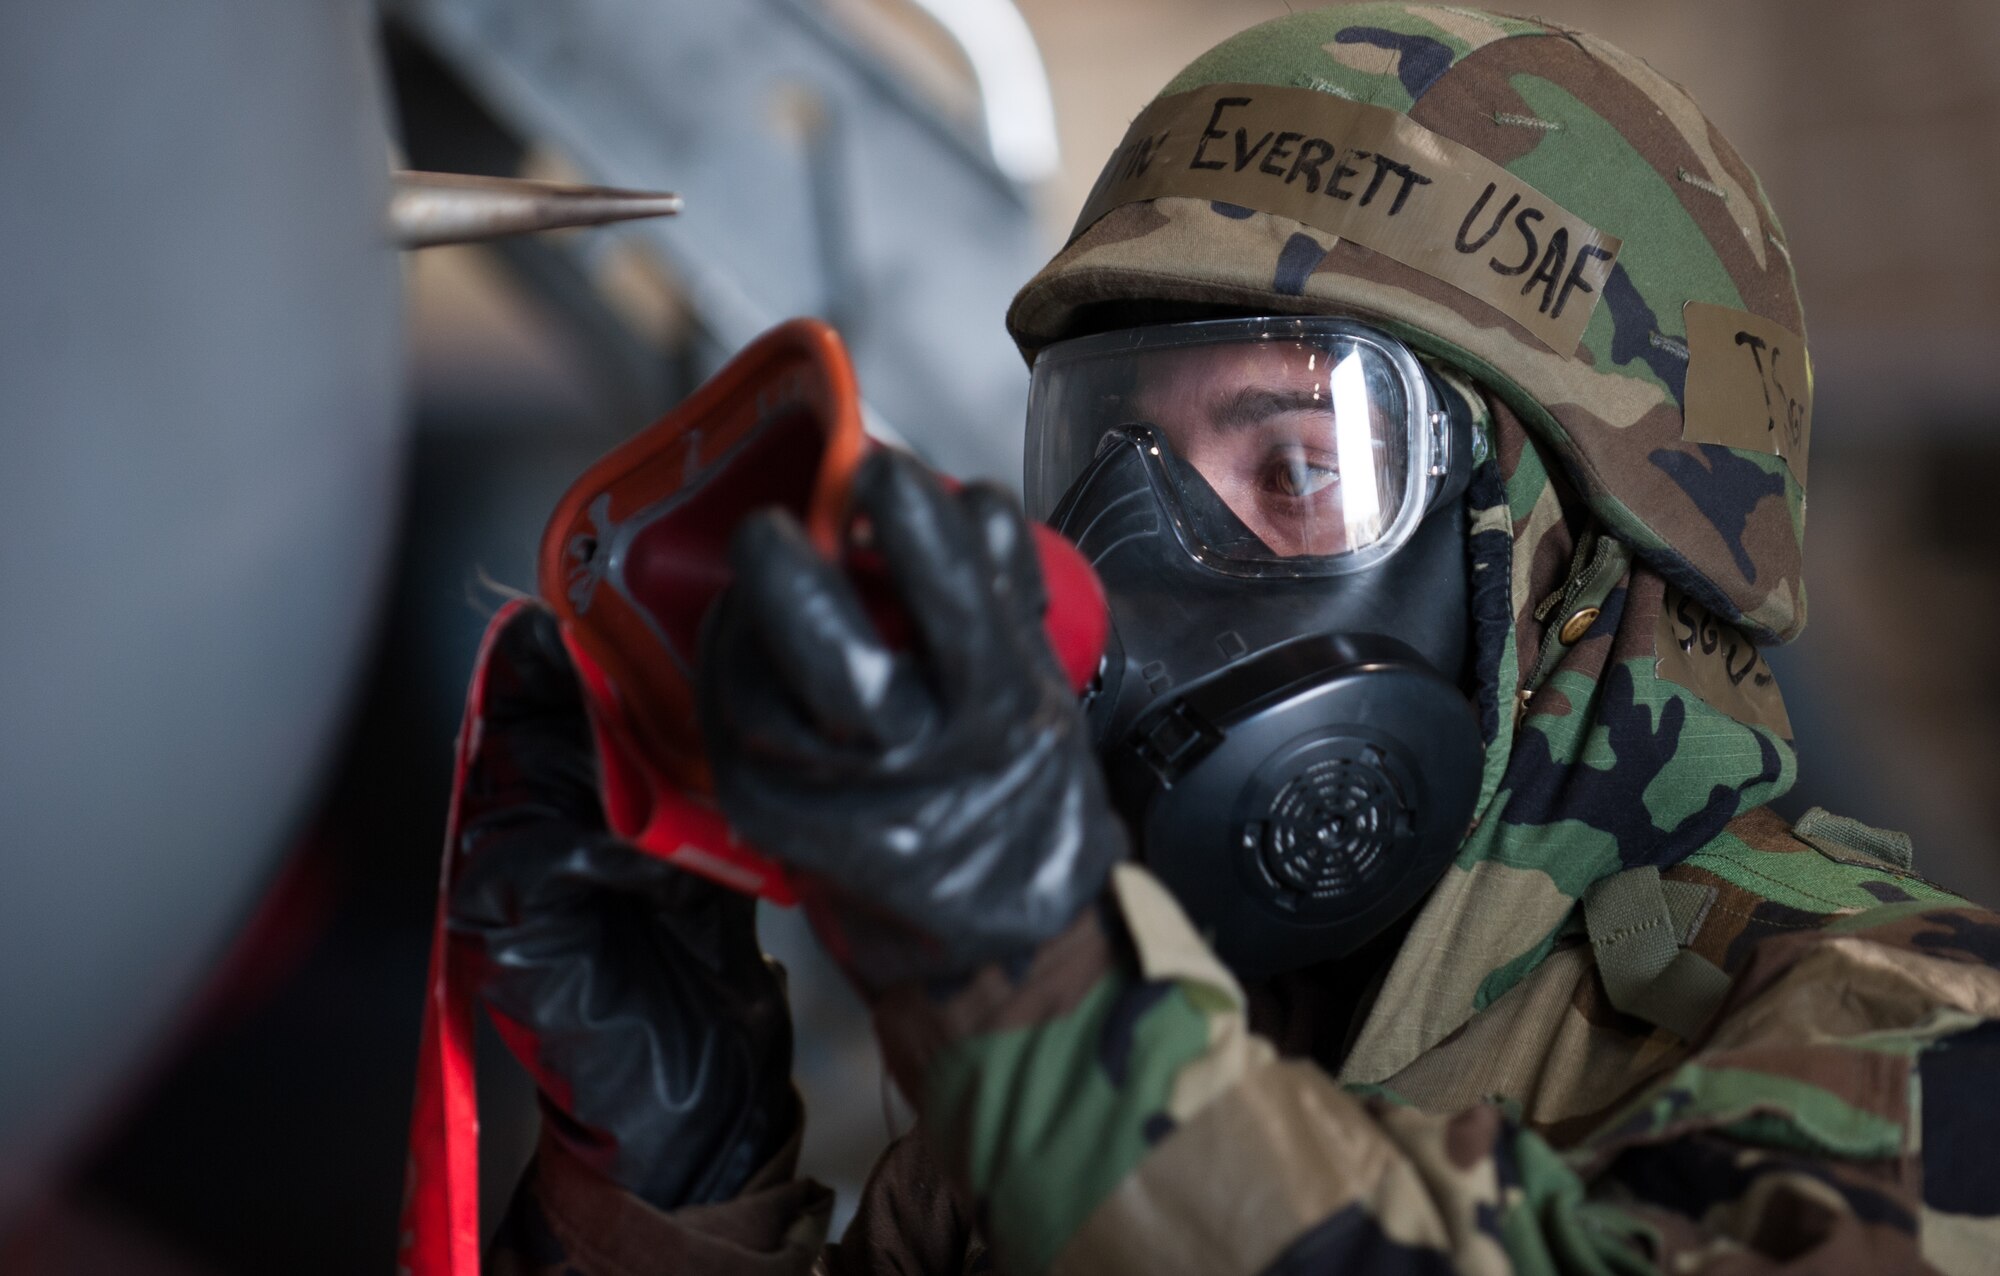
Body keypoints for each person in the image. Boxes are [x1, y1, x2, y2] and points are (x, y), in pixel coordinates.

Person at [448, 7, 2000, 1273]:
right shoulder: (1086, 1084)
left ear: (1569, 562)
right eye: (1103, 463)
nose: (1133, 570)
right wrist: (671, 1193)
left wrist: (1037, 1000)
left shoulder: (1909, 1043)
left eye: (1298, 470)